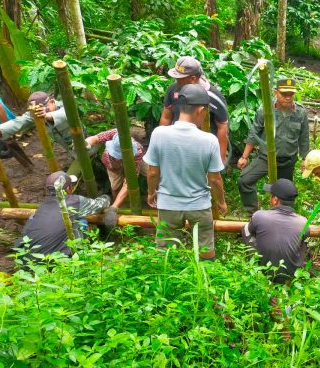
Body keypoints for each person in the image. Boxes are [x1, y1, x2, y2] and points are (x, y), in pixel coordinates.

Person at [145, 84, 227, 260]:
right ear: (200, 110)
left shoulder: (159, 134)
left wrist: (152, 193)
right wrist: (221, 202)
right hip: (199, 205)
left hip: (168, 204)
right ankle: (205, 279)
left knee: (166, 253)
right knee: (206, 251)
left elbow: (152, 172)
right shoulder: (209, 140)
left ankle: (168, 282)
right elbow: (215, 179)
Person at [238, 78, 310, 216]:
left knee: (287, 195)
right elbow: (254, 133)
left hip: (287, 160)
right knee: (244, 180)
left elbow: (304, 137)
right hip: (266, 158)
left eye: (291, 94)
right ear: (276, 93)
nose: (288, 98)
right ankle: (253, 214)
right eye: (284, 94)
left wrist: (304, 158)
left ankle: (281, 218)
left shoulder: (300, 112)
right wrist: (244, 157)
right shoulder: (265, 110)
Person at [15, 171, 110, 258]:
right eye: (71, 185)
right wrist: (107, 196)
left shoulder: (42, 206)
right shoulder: (75, 201)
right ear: (68, 188)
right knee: (82, 222)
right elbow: (101, 204)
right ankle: (80, 255)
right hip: (54, 261)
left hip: (26, 258)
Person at [160, 56, 229, 163]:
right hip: (177, 144)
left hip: (203, 149)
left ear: (192, 79)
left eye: (179, 78)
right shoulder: (173, 89)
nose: (176, 80)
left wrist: (220, 160)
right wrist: (162, 143)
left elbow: (222, 128)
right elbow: (166, 116)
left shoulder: (215, 97)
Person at [242, 179, 309, 283]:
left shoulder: (259, 215)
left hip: (265, 271)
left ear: (275, 200)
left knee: (247, 228)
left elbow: (250, 231)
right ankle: (295, 277)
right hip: (291, 275)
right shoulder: (303, 221)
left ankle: (255, 267)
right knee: (303, 241)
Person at [85, 129, 148, 225]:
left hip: (134, 161)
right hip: (113, 166)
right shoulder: (115, 133)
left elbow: (128, 183)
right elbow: (96, 138)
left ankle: (151, 199)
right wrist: (86, 144)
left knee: (149, 172)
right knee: (115, 186)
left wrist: (113, 207)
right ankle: (120, 206)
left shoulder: (137, 152)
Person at [0, 91, 74, 153]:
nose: (43, 111)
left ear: (52, 101)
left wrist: (46, 115)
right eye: (38, 110)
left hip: (85, 144)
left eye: (45, 108)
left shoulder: (65, 105)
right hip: (72, 150)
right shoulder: (36, 114)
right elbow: (17, 123)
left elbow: (66, 113)